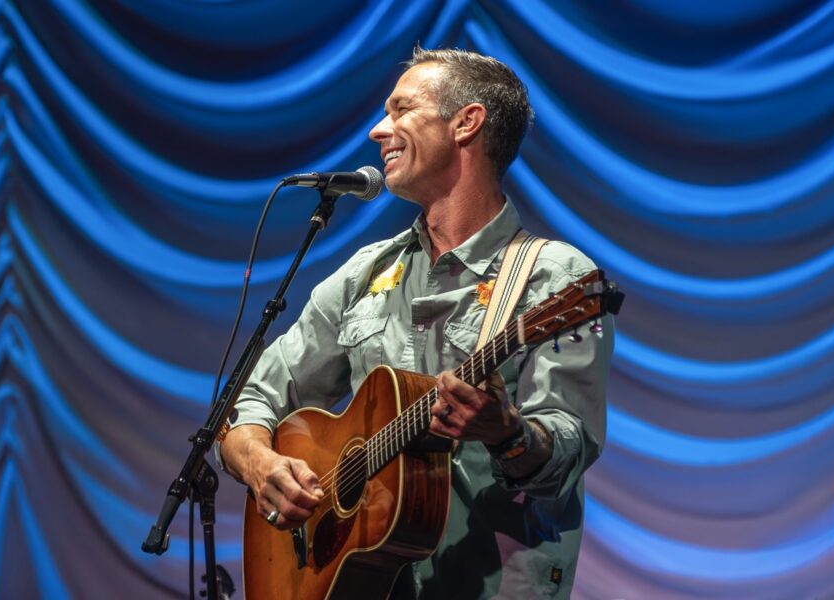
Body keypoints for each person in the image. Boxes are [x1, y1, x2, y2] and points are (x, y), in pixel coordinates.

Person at [218, 47, 614, 599]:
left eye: (402, 109)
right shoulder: (365, 273)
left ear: (466, 123)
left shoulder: (555, 279)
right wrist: (260, 464)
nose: (380, 130)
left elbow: (569, 449)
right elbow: (249, 398)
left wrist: (507, 432)